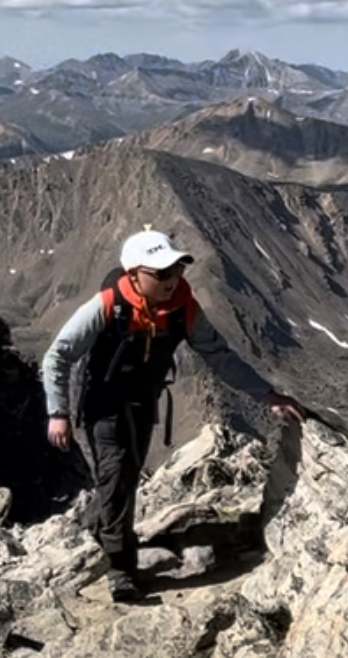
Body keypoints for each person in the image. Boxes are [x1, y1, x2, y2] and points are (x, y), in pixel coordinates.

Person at [41, 229, 305, 602]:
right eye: (160, 273)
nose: (171, 280)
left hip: (143, 402)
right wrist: (58, 413)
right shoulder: (108, 305)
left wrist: (268, 394)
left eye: (176, 269)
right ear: (134, 274)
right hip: (102, 405)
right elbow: (58, 355)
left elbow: (220, 357)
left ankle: (97, 531)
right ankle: (120, 569)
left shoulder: (184, 308)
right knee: (116, 474)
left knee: (126, 477)